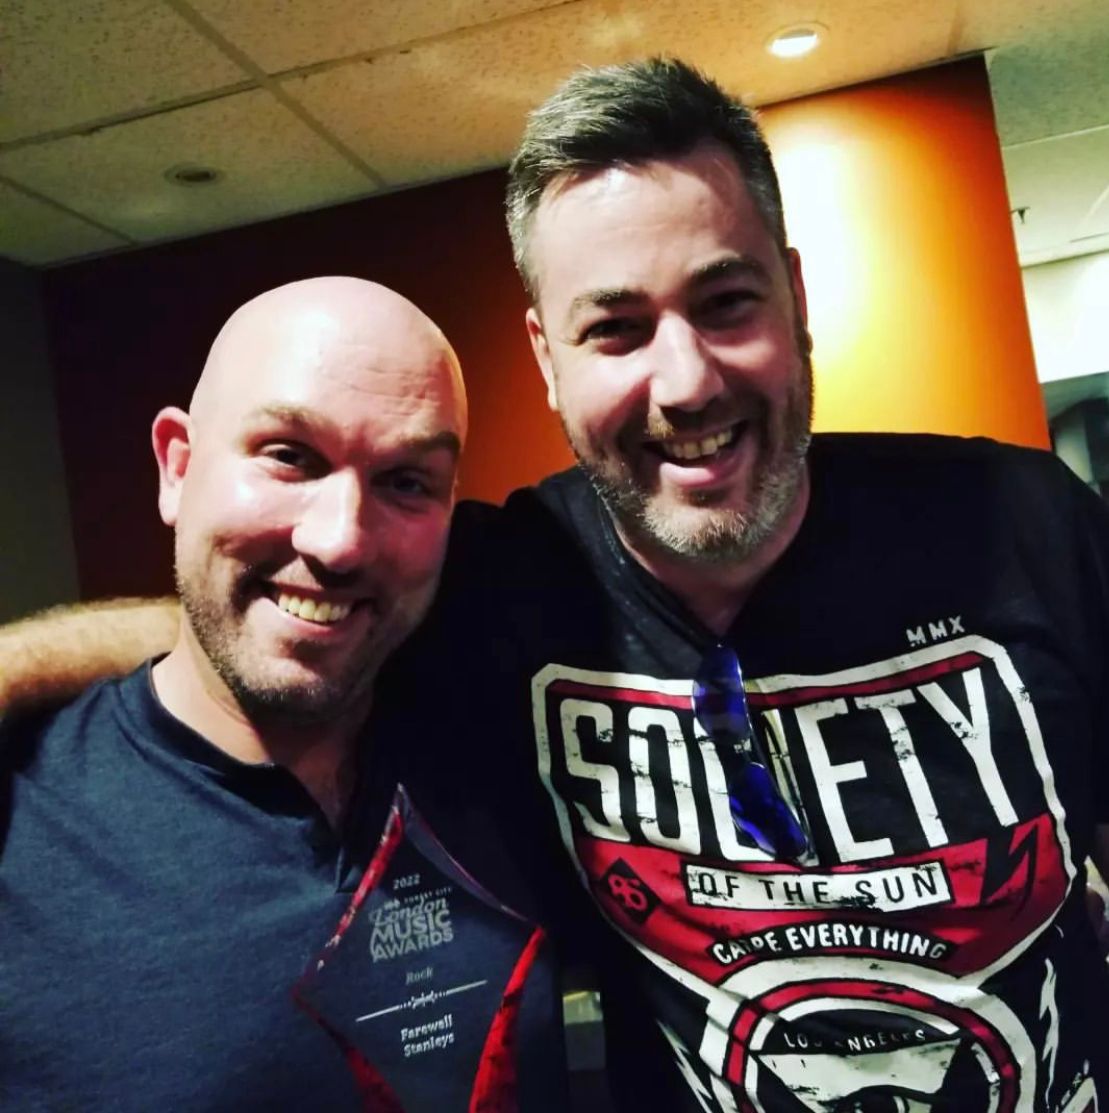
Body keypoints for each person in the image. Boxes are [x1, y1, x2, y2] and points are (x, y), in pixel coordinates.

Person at [4, 58, 1109, 1111]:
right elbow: (288, 609)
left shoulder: (1019, 524)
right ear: (547, 358)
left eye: (725, 302)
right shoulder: (506, 581)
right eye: (615, 329)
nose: (684, 381)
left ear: (795, 295)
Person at [0, 276, 568, 1111]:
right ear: (176, 467)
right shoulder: (25, 824)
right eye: (289, 456)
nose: (339, 541)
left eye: (406, 480)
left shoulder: (507, 731)